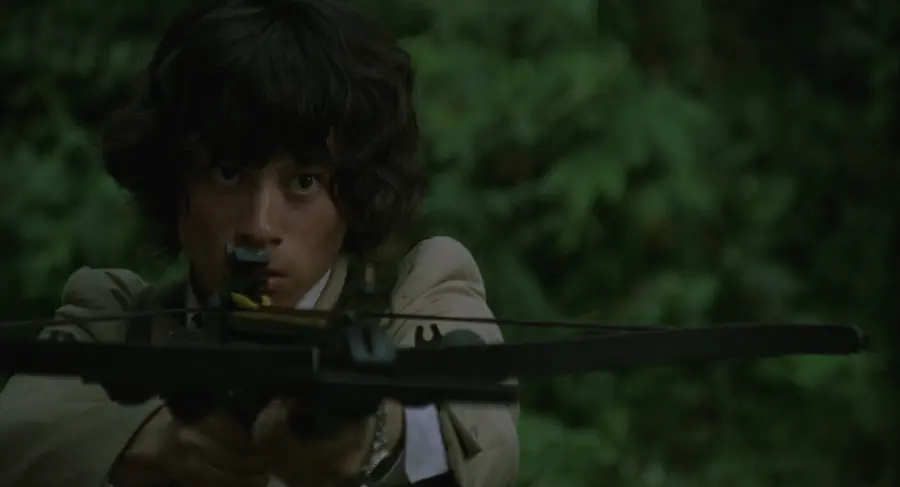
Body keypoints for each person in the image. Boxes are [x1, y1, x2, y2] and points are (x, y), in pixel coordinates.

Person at [0, 0, 520, 486]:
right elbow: (17, 428)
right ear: (174, 180)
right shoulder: (116, 318)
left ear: (356, 192)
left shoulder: (420, 299)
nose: (259, 224)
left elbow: (485, 442)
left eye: (304, 182)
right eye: (228, 173)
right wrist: (154, 442)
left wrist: (371, 440)